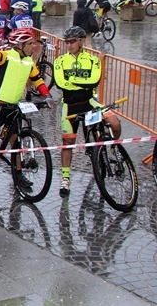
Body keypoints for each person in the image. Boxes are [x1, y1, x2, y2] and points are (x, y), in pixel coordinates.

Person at [0, 30, 53, 186]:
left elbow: (37, 80)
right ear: (20, 45)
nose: (34, 46)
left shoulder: (29, 62)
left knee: (15, 142)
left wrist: (47, 95)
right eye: (31, 44)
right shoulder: (7, 55)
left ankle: (18, 175)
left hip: (14, 106)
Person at [53, 26, 121, 197]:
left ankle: (113, 147)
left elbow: (94, 81)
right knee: (67, 143)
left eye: (72, 41)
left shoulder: (94, 59)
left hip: (90, 103)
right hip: (69, 105)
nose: (69, 45)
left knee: (115, 122)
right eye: (66, 42)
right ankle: (66, 178)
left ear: (82, 40)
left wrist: (73, 80)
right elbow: (61, 83)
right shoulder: (60, 61)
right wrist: (82, 81)